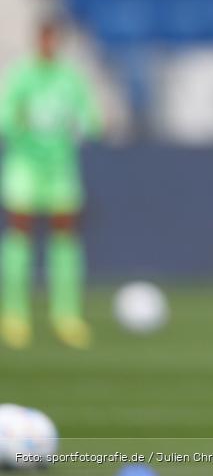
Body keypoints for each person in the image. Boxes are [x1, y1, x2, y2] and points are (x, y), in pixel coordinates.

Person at [0, 17, 102, 350]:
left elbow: (92, 121)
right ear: (37, 40)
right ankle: (14, 314)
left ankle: (66, 314)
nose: (49, 45)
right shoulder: (22, 75)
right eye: (45, 38)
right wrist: (19, 121)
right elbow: (4, 117)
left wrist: (81, 124)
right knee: (19, 233)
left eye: (54, 39)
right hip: (25, 166)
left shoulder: (70, 79)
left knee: (66, 236)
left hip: (60, 169)